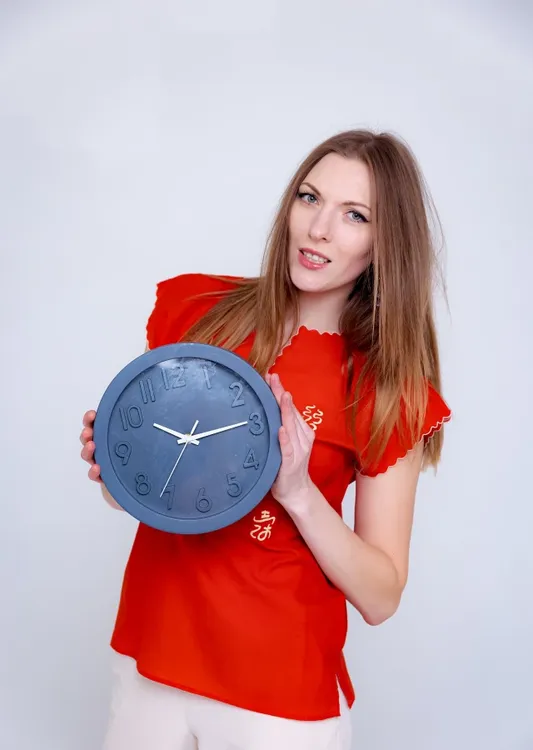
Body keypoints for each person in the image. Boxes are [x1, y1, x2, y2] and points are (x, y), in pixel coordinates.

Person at [80, 129, 452, 750]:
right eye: (310, 198)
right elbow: (141, 498)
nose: (319, 228)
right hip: (150, 661)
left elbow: (381, 595)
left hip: (277, 698)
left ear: (384, 245)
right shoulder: (198, 311)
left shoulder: (386, 389)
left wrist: (300, 493)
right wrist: (115, 470)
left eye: (354, 215)